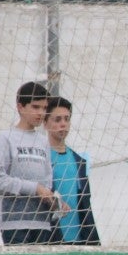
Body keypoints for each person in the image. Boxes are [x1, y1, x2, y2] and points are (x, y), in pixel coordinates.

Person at [0, 81, 68, 245]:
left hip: (42, 223)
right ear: (20, 107)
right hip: (14, 223)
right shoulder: (5, 138)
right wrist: (34, 188)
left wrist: (54, 201)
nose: (41, 113)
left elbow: (47, 183)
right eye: (36, 107)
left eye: (44, 108)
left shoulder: (43, 141)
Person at [44, 96, 101, 245]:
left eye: (66, 119)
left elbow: (85, 203)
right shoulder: (42, 159)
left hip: (81, 239)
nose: (63, 124)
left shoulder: (79, 161)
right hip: (50, 238)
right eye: (57, 120)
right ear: (45, 123)